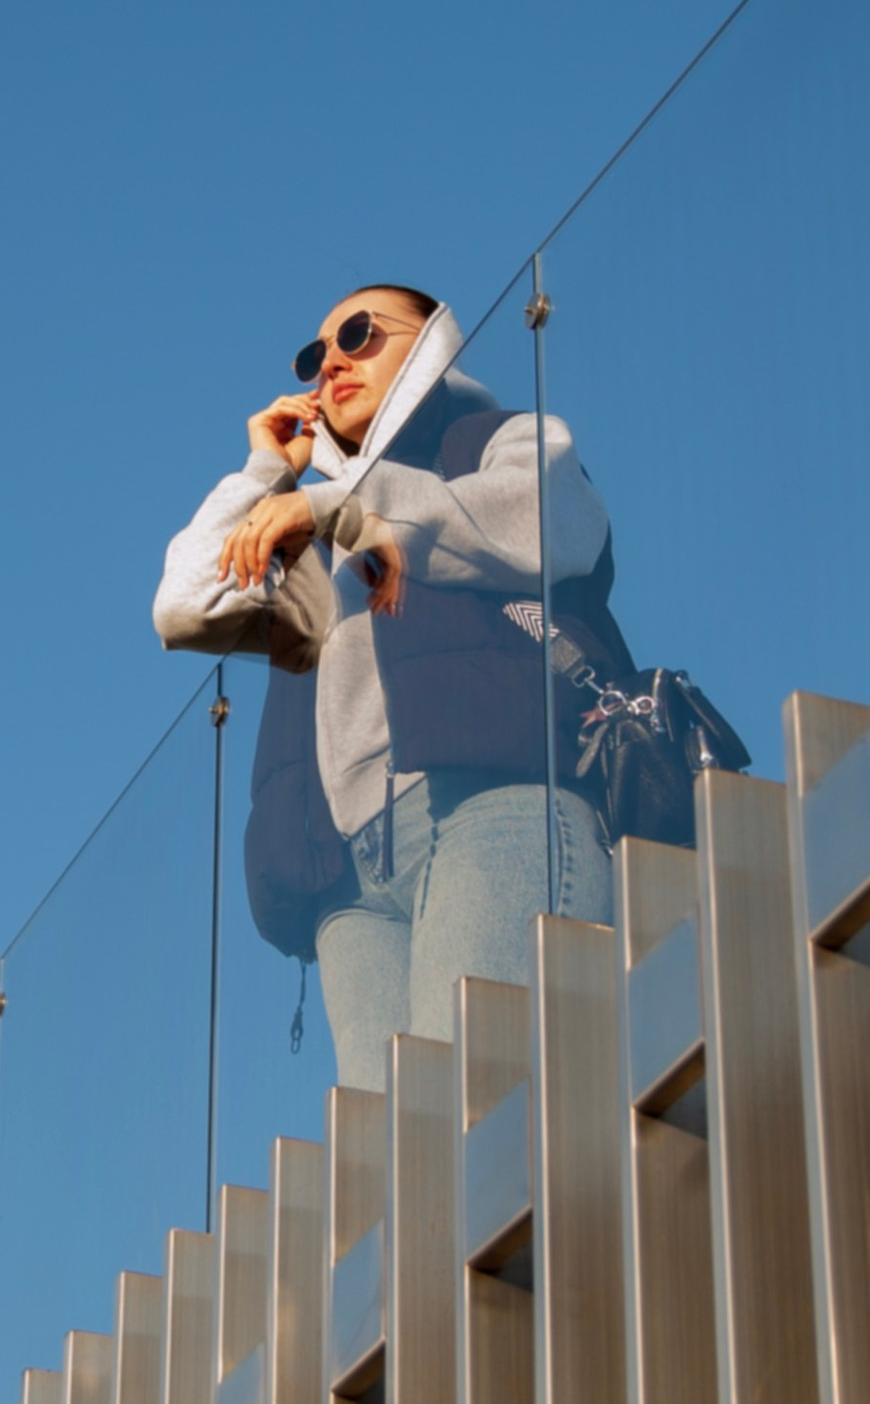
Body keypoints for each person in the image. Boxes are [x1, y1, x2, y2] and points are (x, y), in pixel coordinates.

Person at [152, 284, 634, 1090]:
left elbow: (552, 521)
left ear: (431, 342)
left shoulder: (492, 440)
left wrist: (337, 507)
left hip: (492, 805)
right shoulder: (305, 533)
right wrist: (267, 470)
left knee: (478, 1107)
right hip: (350, 879)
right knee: (392, 1156)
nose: (331, 362)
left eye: (358, 334)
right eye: (315, 355)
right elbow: (184, 606)